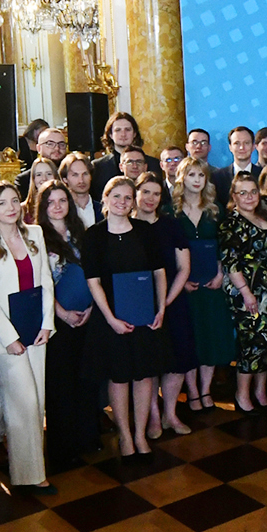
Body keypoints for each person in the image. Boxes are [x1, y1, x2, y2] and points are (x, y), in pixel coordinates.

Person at [0, 181, 56, 492]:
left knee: (38, 403)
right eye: (2, 202)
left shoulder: (35, 234)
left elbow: (46, 281)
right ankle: (31, 476)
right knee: (23, 403)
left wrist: (47, 323)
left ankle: (29, 469)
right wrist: (9, 338)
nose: (10, 207)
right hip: (7, 339)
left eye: (15, 200)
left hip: (37, 330)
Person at [84, 177, 170, 458]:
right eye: (116, 196)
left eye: (127, 197)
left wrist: (161, 309)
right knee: (119, 378)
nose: (122, 202)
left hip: (145, 316)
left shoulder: (145, 231)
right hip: (111, 319)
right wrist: (110, 319)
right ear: (105, 198)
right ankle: (125, 436)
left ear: (133, 202)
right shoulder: (94, 235)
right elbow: (93, 282)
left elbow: (159, 272)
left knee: (144, 376)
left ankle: (140, 434)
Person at [37, 181, 99, 468]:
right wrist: (61, 313)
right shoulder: (36, 237)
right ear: (42, 206)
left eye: (62, 200)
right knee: (60, 386)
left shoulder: (82, 234)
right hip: (57, 322)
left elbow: (95, 273)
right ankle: (64, 448)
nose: (58, 206)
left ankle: (87, 437)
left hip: (86, 317)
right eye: (51, 202)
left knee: (85, 379)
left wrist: (90, 307)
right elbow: (39, 283)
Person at [133, 171, 193, 435]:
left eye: (156, 193)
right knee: (149, 364)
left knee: (178, 360)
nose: (151, 198)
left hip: (172, 302)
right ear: (135, 193)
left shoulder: (171, 225)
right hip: (140, 306)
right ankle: (154, 417)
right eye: (145, 192)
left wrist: (166, 302)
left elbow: (184, 268)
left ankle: (170, 413)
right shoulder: (126, 226)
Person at [174, 159, 232, 411]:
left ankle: (206, 389)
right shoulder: (171, 211)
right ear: (182, 178)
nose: (197, 180)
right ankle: (193, 391)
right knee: (191, 338)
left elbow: (224, 246)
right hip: (184, 287)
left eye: (201, 175)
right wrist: (181, 281)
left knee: (211, 337)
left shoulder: (215, 209)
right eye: (191, 175)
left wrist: (221, 274)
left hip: (212, 285)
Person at [220, 172, 267, 411]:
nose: (249, 197)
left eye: (253, 192)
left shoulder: (264, 216)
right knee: (250, 345)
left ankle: (260, 391)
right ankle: (242, 394)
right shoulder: (230, 223)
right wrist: (246, 292)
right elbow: (230, 263)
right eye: (242, 193)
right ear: (234, 196)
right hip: (247, 294)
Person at [91, 111, 161, 198]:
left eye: (127, 129)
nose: (123, 134)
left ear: (134, 133)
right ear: (110, 134)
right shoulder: (98, 166)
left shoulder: (153, 163)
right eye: (118, 130)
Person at [213, 125, 260, 206]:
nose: (242, 147)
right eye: (237, 143)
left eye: (246, 143)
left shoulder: (263, 175)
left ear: (253, 147)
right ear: (230, 147)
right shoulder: (217, 177)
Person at [20, 127, 69, 196]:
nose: (57, 148)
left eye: (61, 144)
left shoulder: (71, 175)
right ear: (39, 148)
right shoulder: (24, 180)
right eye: (50, 144)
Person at [59, 151, 101, 229]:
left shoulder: (102, 209)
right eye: (75, 175)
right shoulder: (60, 211)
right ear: (65, 179)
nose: (81, 180)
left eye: (85, 174)